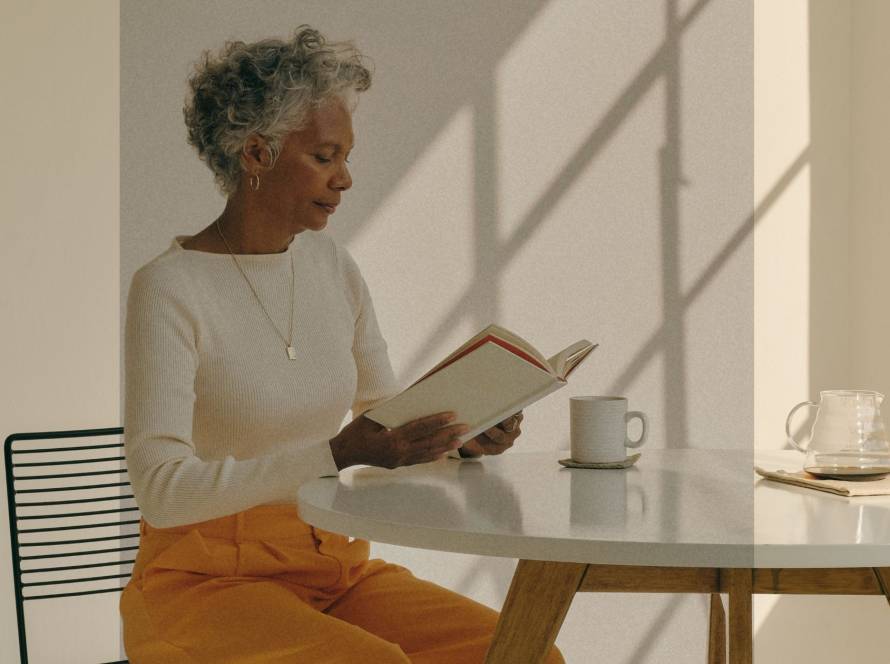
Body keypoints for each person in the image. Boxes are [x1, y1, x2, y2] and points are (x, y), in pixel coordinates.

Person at [120, 25, 560, 663]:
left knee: (525, 654)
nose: (346, 178)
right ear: (256, 156)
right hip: (203, 583)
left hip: (334, 569)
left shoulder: (331, 265)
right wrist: (332, 453)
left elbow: (381, 410)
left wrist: (460, 438)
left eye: (345, 156)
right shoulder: (169, 289)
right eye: (325, 157)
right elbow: (161, 489)